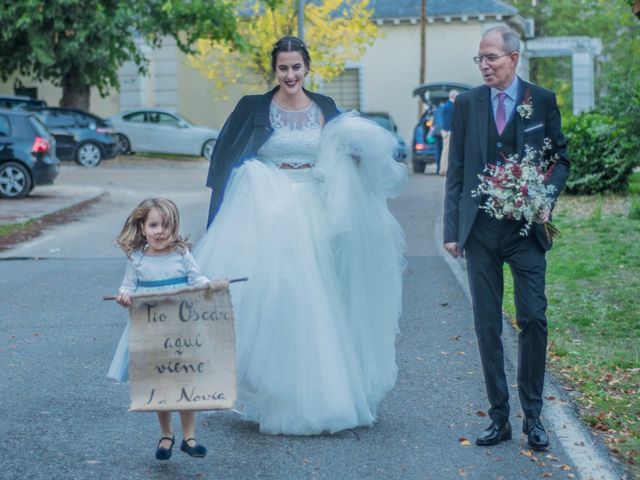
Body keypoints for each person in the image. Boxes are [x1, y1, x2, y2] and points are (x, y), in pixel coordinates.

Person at [195, 36, 407, 435]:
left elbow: (347, 152)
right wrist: (220, 214)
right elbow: (225, 158)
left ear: (307, 67)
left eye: (296, 67)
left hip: (316, 208)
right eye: (282, 68)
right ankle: (275, 389)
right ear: (273, 70)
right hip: (265, 209)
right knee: (276, 297)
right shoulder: (252, 107)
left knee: (318, 301)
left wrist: (358, 159)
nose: (290, 75)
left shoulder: (325, 107)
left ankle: (321, 393)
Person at [443, 26, 570, 451]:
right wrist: (451, 232)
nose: (484, 65)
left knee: (533, 317)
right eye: (480, 59)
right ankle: (499, 418)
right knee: (486, 325)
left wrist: (547, 199)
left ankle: (534, 416)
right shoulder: (466, 104)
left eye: (492, 58)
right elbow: (456, 170)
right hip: (480, 230)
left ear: (514, 58)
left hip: (525, 230)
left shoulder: (542, 100)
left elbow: (559, 159)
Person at [108, 197, 223, 460]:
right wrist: (124, 297)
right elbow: (127, 287)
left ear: (175, 228)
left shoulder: (181, 254)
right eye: (154, 225)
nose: (160, 231)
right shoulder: (137, 259)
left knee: (184, 380)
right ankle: (166, 435)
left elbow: (198, 278)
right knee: (162, 383)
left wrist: (208, 285)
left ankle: (190, 436)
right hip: (152, 330)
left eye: (166, 226)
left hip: (181, 329)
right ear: (142, 228)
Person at [438, 89, 458, 176]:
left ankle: (444, 169)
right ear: (454, 97)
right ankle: (443, 169)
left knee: (445, 151)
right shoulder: (451, 106)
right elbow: (450, 120)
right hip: (448, 131)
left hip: (445, 130)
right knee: (446, 151)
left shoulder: (446, 105)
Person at [431, 101, 445, 174]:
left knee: (438, 150)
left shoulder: (435, 110)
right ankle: (442, 168)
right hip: (443, 132)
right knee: (443, 151)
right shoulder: (445, 108)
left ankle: (437, 168)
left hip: (436, 132)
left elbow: (433, 123)